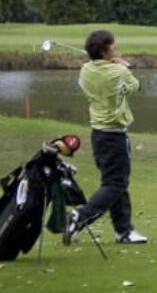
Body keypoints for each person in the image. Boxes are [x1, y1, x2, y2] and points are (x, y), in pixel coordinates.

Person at [63, 29, 148, 245]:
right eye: (113, 46)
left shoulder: (85, 71)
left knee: (116, 182)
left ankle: (124, 231)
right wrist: (123, 66)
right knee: (115, 184)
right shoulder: (118, 73)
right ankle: (79, 217)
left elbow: (95, 73)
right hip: (114, 136)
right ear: (103, 51)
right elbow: (137, 87)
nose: (116, 49)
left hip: (98, 135)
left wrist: (111, 63)